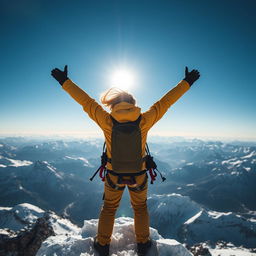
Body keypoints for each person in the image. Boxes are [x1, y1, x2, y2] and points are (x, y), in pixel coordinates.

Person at [51, 65, 200, 256]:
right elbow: (165, 102)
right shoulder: (144, 120)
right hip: (138, 175)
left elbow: (86, 102)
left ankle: (103, 245)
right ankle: (143, 243)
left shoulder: (107, 121)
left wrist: (65, 81)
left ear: (114, 105)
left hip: (114, 175)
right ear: (132, 104)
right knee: (140, 208)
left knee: (109, 208)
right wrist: (186, 82)